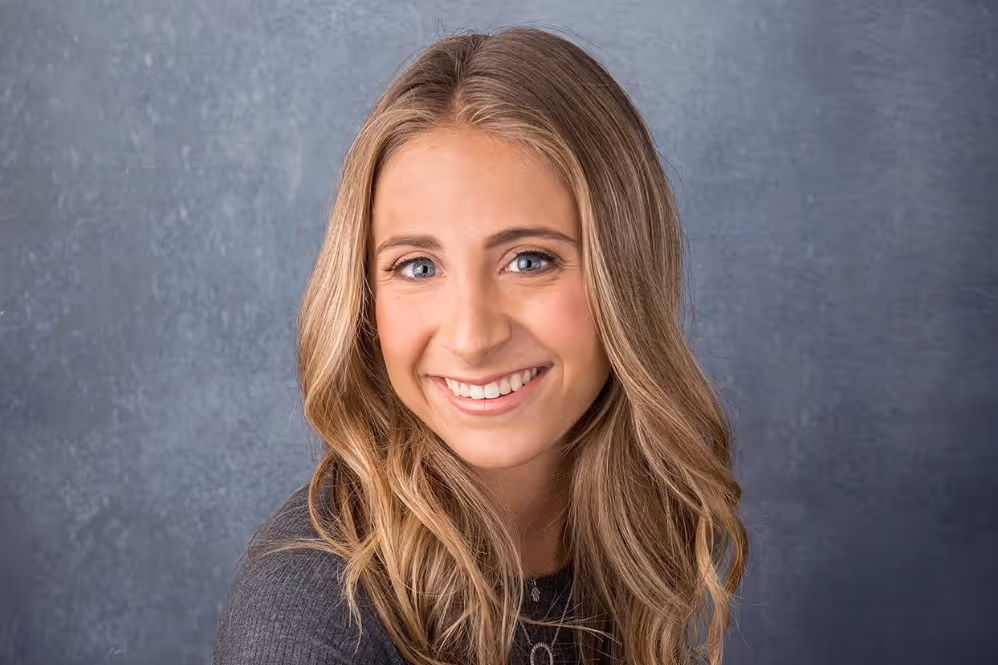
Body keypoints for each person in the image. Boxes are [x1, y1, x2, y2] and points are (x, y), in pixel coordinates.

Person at [212, 25, 748, 665]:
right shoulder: (310, 615)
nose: (471, 337)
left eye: (528, 261)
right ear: (363, 301)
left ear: (624, 274)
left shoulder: (630, 526)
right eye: (417, 267)